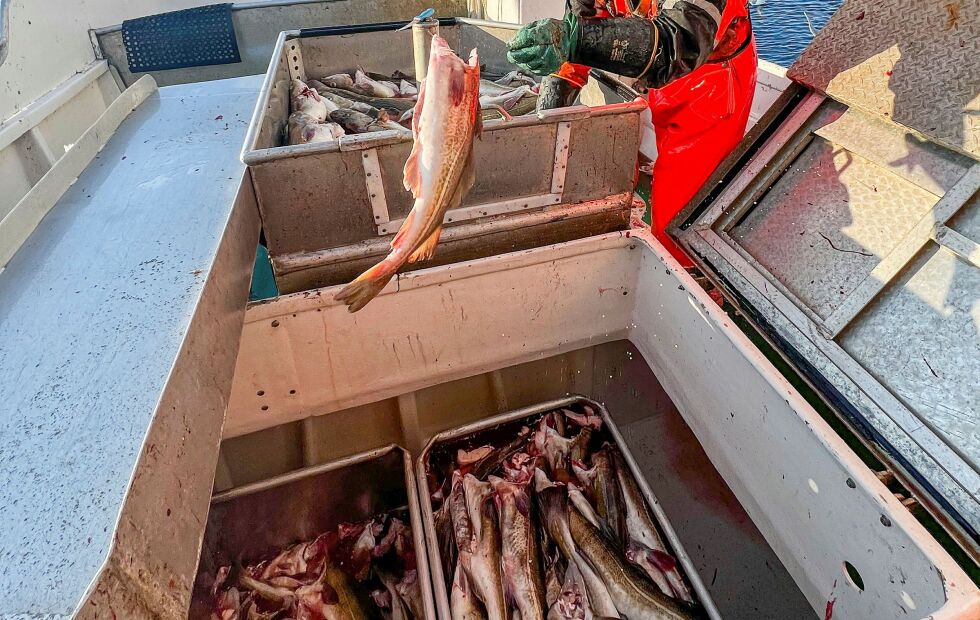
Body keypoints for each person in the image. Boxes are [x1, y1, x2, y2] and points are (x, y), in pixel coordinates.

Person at [507, 0, 757, 265]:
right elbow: (585, 15)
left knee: (679, 223)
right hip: (658, 70)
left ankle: (691, 286)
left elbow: (679, 42)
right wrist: (555, 96)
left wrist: (574, 39)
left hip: (710, 85)